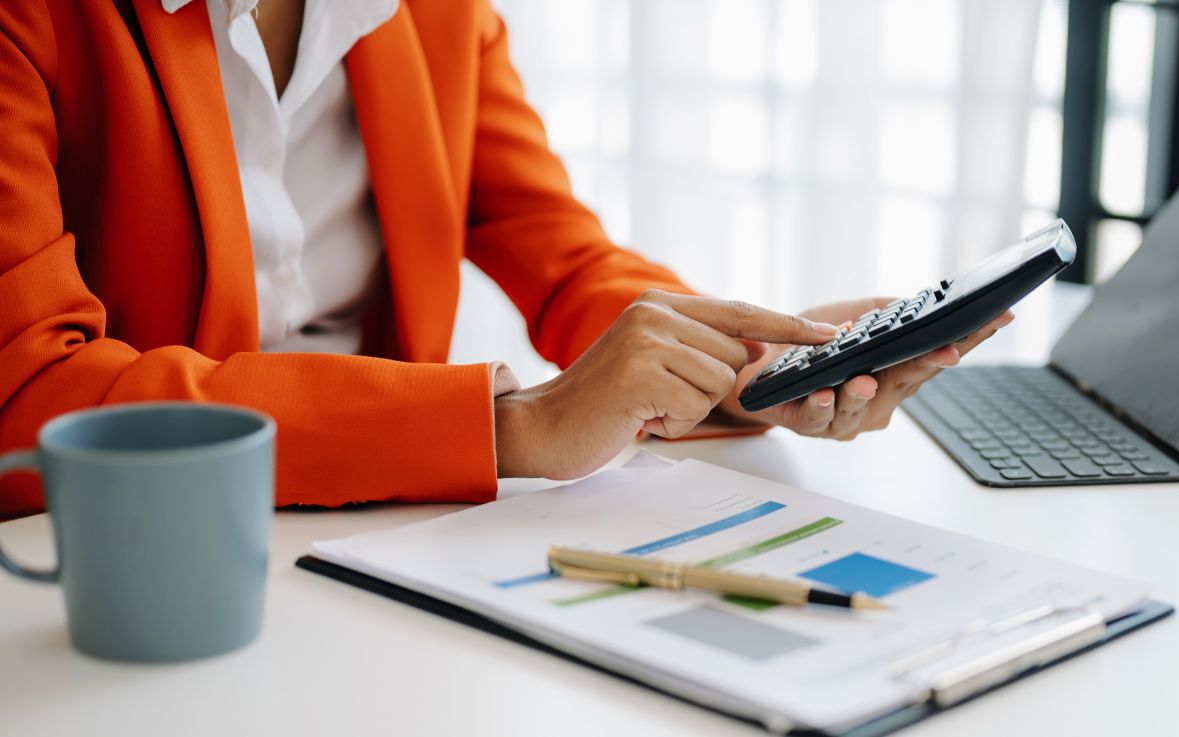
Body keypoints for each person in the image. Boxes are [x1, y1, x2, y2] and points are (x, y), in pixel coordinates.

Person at [0, 0, 1012, 519]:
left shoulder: (440, 13)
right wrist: (510, 425)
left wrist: (733, 359)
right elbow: (32, 388)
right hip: (123, 562)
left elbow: (563, 256)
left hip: (367, 540)